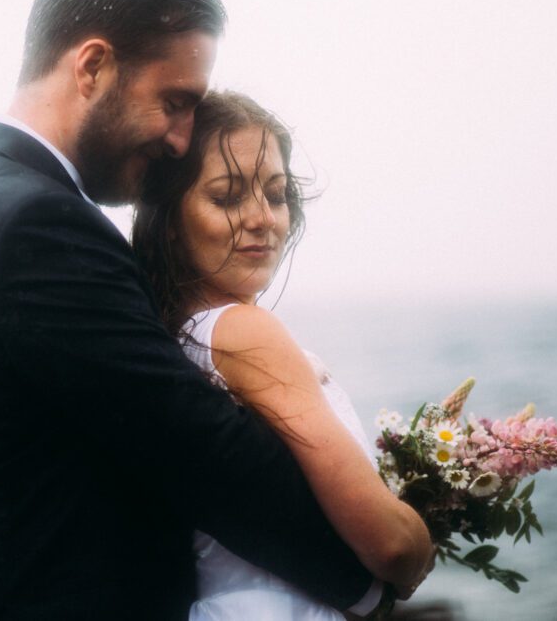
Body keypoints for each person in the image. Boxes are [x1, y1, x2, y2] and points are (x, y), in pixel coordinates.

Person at [0, 0, 394, 619]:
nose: (183, 139)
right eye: (175, 101)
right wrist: (378, 568)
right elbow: (192, 446)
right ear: (94, 65)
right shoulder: (35, 222)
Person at [132, 90, 434, 620]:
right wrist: (419, 541)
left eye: (274, 195)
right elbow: (390, 544)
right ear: (172, 220)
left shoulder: (172, 338)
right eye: (227, 198)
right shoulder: (244, 332)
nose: (262, 219)